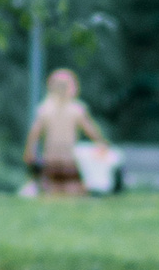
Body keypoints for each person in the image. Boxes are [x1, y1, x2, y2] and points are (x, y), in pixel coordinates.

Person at [23, 68, 113, 197]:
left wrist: (29, 152)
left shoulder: (45, 109)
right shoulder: (76, 109)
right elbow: (90, 130)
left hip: (51, 158)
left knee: (53, 191)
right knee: (72, 191)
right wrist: (101, 143)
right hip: (67, 159)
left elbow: (34, 134)